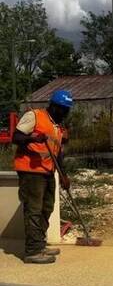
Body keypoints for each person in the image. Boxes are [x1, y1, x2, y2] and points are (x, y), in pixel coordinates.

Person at [12, 89, 74, 264]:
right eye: (63, 109)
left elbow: (58, 153)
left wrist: (63, 175)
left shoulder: (57, 127)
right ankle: (32, 251)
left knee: (47, 208)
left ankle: (39, 244)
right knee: (33, 210)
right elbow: (15, 137)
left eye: (67, 110)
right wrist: (32, 138)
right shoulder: (35, 116)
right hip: (31, 172)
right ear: (54, 106)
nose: (65, 113)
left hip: (47, 171)